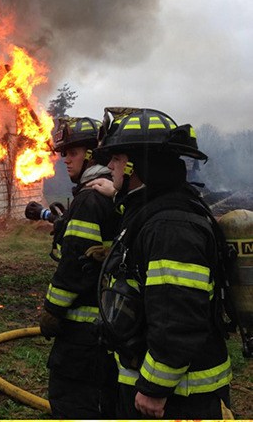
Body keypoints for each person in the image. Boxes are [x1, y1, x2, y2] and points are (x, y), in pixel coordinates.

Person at [95, 107, 232, 419]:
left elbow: (178, 316)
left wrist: (155, 387)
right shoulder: (154, 211)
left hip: (179, 398)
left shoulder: (170, 226)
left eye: (116, 158)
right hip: (165, 386)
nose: (110, 167)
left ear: (135, 165)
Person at [25, 116, 120, 418]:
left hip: (84, 333)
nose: (65, 159)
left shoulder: (90, 199)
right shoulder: (113, 193)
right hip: (114, 324)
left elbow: (74, 266)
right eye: (63, 153)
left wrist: (52, 310)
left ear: (92, 154)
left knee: (73, 401)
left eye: (73, 152)